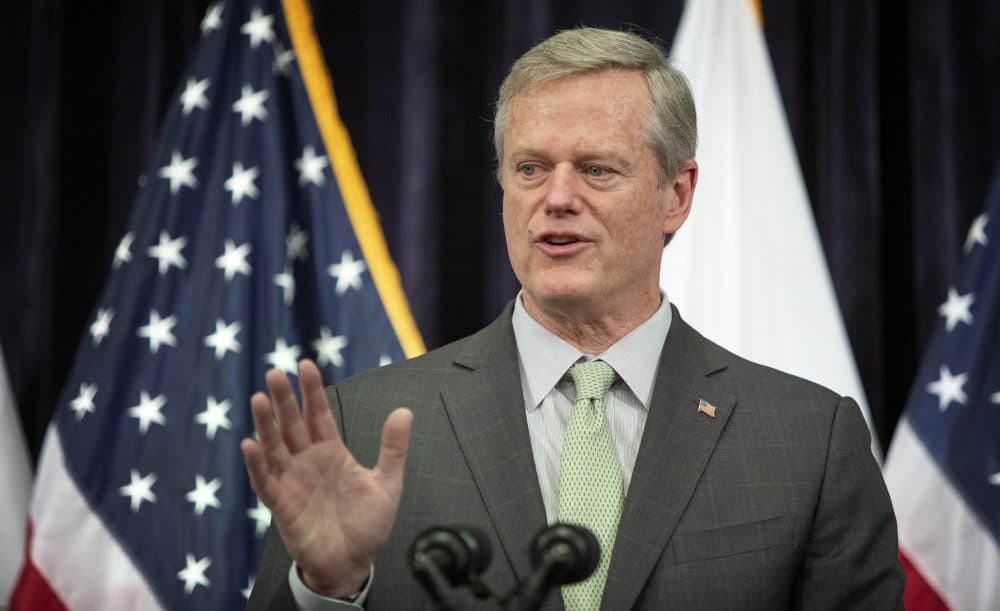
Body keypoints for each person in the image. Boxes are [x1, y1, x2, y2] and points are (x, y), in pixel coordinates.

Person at [243, 27, 904, 610]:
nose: (557, 198)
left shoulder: (809, 443)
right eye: (530, 168)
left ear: (676, 195)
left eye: (596, 169)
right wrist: (327, 588)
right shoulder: (364, 427)